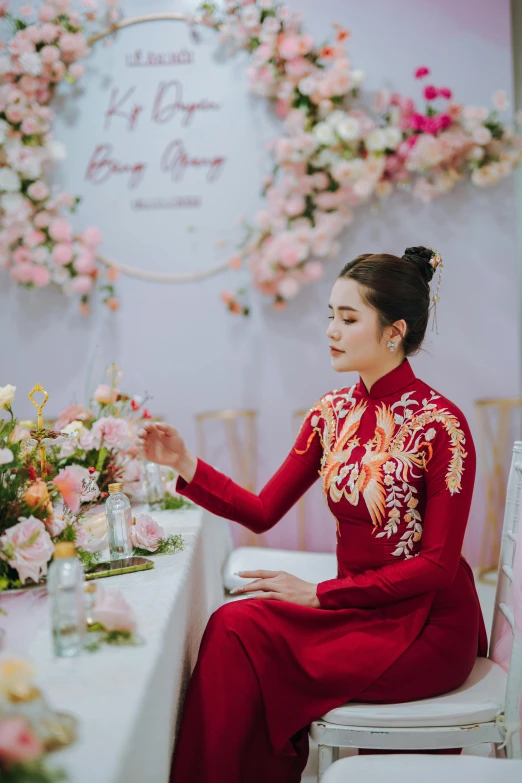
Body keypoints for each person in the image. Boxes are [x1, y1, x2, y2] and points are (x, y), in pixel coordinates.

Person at [138, 247, 488, 783]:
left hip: (425, 625)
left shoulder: (442, 425)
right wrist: (183, 462)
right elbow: (261, 511)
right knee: (233, 624)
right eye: (330, 315)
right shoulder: (331, 413)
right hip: (358, 610)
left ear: (393, 331)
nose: (331, 330)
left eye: (349, 319)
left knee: (243, 631)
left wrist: (320, 593)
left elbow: (438, 566)